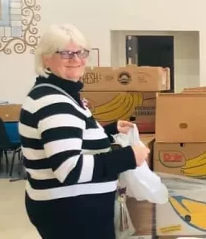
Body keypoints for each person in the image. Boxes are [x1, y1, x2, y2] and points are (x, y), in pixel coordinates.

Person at [19, 24, 150, 239]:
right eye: (65, 53)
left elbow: (70, 140)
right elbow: (69, 169)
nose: (76, 59)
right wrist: (128, 157)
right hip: (71, 214)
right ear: (46, 58)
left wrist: (108, 131)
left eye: (81, 52)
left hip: (70, 209)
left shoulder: (59, 94)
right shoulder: (54, 102)